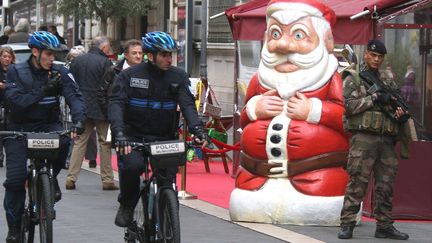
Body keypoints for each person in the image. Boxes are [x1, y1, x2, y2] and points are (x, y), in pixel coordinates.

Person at [229, 0, 349, 225]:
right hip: (255, 177)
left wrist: (314, 110)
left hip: (317, 178)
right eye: (275, 34)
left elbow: (346, 121)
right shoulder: (260, 79)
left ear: (326, 41)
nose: (283, 45)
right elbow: (244, 117)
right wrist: (255, 108)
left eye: (298, 35)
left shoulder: (332, 79)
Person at [109, 31, 208, 227]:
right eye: (164, 55)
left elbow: (188, 105)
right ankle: (127, 205)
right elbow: (116, 104)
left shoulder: (178, 76)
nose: (168, 59)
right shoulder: (129, 76)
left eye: (170, 54)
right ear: (150, 55)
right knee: (132, 167)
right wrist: (119, 133)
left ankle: (168, 219)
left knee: (167, 181)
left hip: (164, 139)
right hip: (133, 138)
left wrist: (198, 130)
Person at [2, 31, 86, 243]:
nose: (52, 58)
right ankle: (13, 228)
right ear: (36, 52)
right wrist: (43, 91)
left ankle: (50, 179)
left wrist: (79, 121)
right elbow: (16, 104)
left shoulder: (60, 71)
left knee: (65, 141)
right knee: (14, 180)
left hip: (48, 126)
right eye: (48, 54)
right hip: (18, 130)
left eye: (54, 54)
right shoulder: (15, 71)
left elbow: (75, 98)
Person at [338, 39, 410, 240]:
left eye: (380, 57)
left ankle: (384, 226)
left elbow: (394, 104)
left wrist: (399, 113)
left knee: (385, 185)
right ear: (366, 55)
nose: (376, 59)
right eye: (373, 55)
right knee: (357, 182)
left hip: (386, 140)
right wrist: (375, 98)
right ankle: (347, 224)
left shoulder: (387, 80)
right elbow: (350, 106)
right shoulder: (355, 77)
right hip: (363, 139)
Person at [65, 36, 118, 190]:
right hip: (101, 109)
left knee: (80, 142)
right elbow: (108, 86)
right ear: (104, 48)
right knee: (105, 143)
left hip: (82, 107)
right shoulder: (106, 63)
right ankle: (107, 180)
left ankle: (71, 178)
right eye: (108, 48)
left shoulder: (78, 61)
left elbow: (71, 82)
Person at [63, 45, 97, 169]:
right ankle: (68, 158)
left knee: (90, 135)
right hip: (69, 106)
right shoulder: (65, 69)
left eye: (77, 58)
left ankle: (92, 157)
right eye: (72, 58)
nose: (74, 60)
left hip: (86, 105)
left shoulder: (87, 70)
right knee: (72, 134)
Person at [0, 46, 16, 168]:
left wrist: (6, 85)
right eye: (4, 56)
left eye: (9, 57)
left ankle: (11, 156)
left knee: (10, 131)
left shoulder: (14, 70)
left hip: (11, 105)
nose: (7, 59)